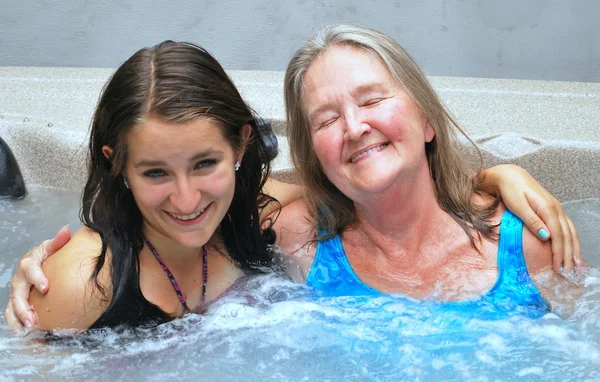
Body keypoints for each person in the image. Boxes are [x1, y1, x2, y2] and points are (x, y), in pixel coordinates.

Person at [4, 33, 581, 330]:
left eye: (205, 164)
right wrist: (52, 265)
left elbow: (387, 180)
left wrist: (496, 173)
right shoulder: (86, 281)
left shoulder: (270, 216)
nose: (186, 198)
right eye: (327, 119)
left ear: (241, 149)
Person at [270, 24, 580, 311]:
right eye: (327, 119)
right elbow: (227, 186)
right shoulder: (295, 239)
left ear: (426, 119)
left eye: (371, 101)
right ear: (313, 155)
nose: (354, 128)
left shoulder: (527, 247)